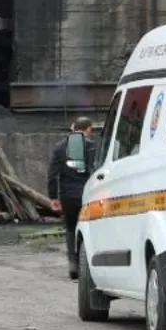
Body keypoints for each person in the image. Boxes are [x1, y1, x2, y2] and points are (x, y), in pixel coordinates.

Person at [47, 116, 95, 280]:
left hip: (67, 195)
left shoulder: (59, 147)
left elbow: (52, 174)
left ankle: (73, 264)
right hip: (87, 194)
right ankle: (86, 263)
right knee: (88, 228)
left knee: (70, 228)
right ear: (88, 129)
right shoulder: (91, 147)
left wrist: (53, 196)